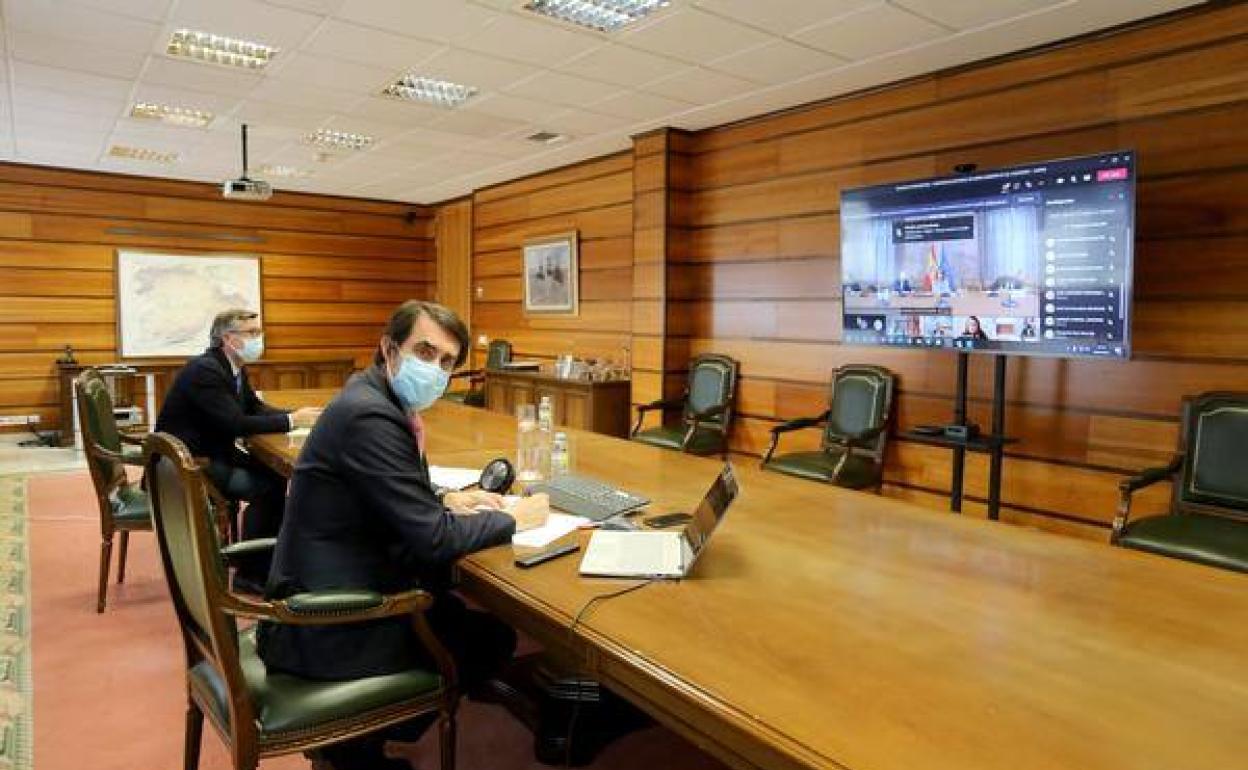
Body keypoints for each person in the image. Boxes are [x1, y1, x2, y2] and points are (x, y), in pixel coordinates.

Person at [258, 300, 548, 770]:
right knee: (490, 637)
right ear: (389, 349)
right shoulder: (371, 416)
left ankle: (354, 742)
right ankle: (355, 742)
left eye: (447, 362)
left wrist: (441, 498)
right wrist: (518, 519)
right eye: (425, 352)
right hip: (332, 623)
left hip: (320, 594)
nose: (435, 369)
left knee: (456, 613)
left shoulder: (369, 396)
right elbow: (434, 540)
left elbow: (378, 486)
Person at [154, 308, 319, 591]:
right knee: (268, 486)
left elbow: (253, 407)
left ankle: (268, 561)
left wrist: (297, 417)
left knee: (275, 475)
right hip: (190, 463)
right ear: (229, 339)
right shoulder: (206, 371)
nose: (259, 338)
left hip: (210, 450)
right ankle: (249, 574)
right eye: (252, 333)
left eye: (259, 332)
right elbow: (235, 423)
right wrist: (291, 421)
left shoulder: (231, 366)